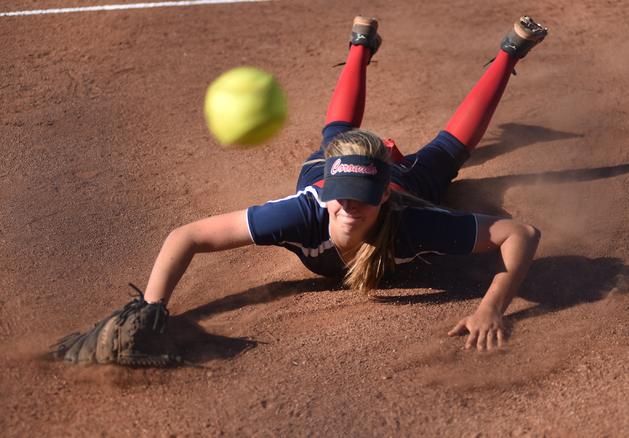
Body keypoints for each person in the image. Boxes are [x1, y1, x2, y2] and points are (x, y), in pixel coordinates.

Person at [143, 15, 546, 351]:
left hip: (408, 181)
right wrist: (151, 310)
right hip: (327, 169)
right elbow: (187, 236)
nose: (349, 208)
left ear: (383, 194)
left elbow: (521, 234)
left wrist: (492, 308)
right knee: (336, 136)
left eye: (363, 199)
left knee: (447, 152)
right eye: (341, 198)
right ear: (325, 195)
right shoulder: (302, 213)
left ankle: (509, 52)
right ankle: (360, 44)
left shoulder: (413, 221)